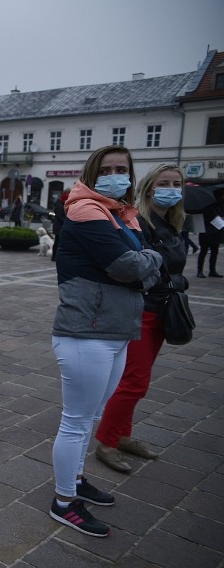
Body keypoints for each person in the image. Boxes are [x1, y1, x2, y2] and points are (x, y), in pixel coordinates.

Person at [50, 145, 162, 538]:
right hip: (87, 332)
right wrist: (153, 261)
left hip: (113, 330)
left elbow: (140, 267)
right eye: (108, 169)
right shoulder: (86, 211)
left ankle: (75, 480)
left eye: (123, 169)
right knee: (76, 422)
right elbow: (126, 267)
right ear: (93, 173)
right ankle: (64, 502)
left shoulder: (120, 214)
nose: (116, 174)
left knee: (89, 417)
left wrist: (146, 263)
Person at [95, 163, 187, 474]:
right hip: (145, 309)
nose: (172, 188)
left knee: (137, 379)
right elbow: (136, 266)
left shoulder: (172, 223)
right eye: (165, 182)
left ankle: (123, 435)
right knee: (134, 382)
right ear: (149, 188)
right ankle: (107, 442)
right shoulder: (140, 222)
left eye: (177, 183)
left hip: (164, 308)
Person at [196, 191, 223, 278]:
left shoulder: (218, 207)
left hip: (215, 233)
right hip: (206, 233)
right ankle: (200, 271)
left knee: (214, 252)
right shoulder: (206, 208)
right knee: (203, 252)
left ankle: (212, 270)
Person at [51, 189, 70, 261]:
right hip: (58, 226)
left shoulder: (63, 202)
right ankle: (54, 256)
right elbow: (59, 215)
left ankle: (57, 256)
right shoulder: (59, 203)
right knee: (57, 242)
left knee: (59, 242)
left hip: (61, 225)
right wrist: (65, 222)